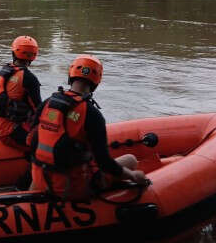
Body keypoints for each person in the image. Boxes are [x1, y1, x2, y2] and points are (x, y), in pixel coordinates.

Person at [29, 55, 149, 200]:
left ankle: (31, 193)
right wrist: (132, 175)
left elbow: (31, 140)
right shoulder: (92, 114)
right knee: (130, 160)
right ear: (96, 82)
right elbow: (104, 162)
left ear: (71, 75)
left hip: (39, 178)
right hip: (70, 187)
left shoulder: (48, 103)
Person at [0, 35, 42, 152]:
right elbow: (39, 110)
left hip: (1, 128)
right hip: (12, 132)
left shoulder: (6, 70)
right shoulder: (29, 78)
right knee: (48, 147)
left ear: (14, 52)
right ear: (33, 56)